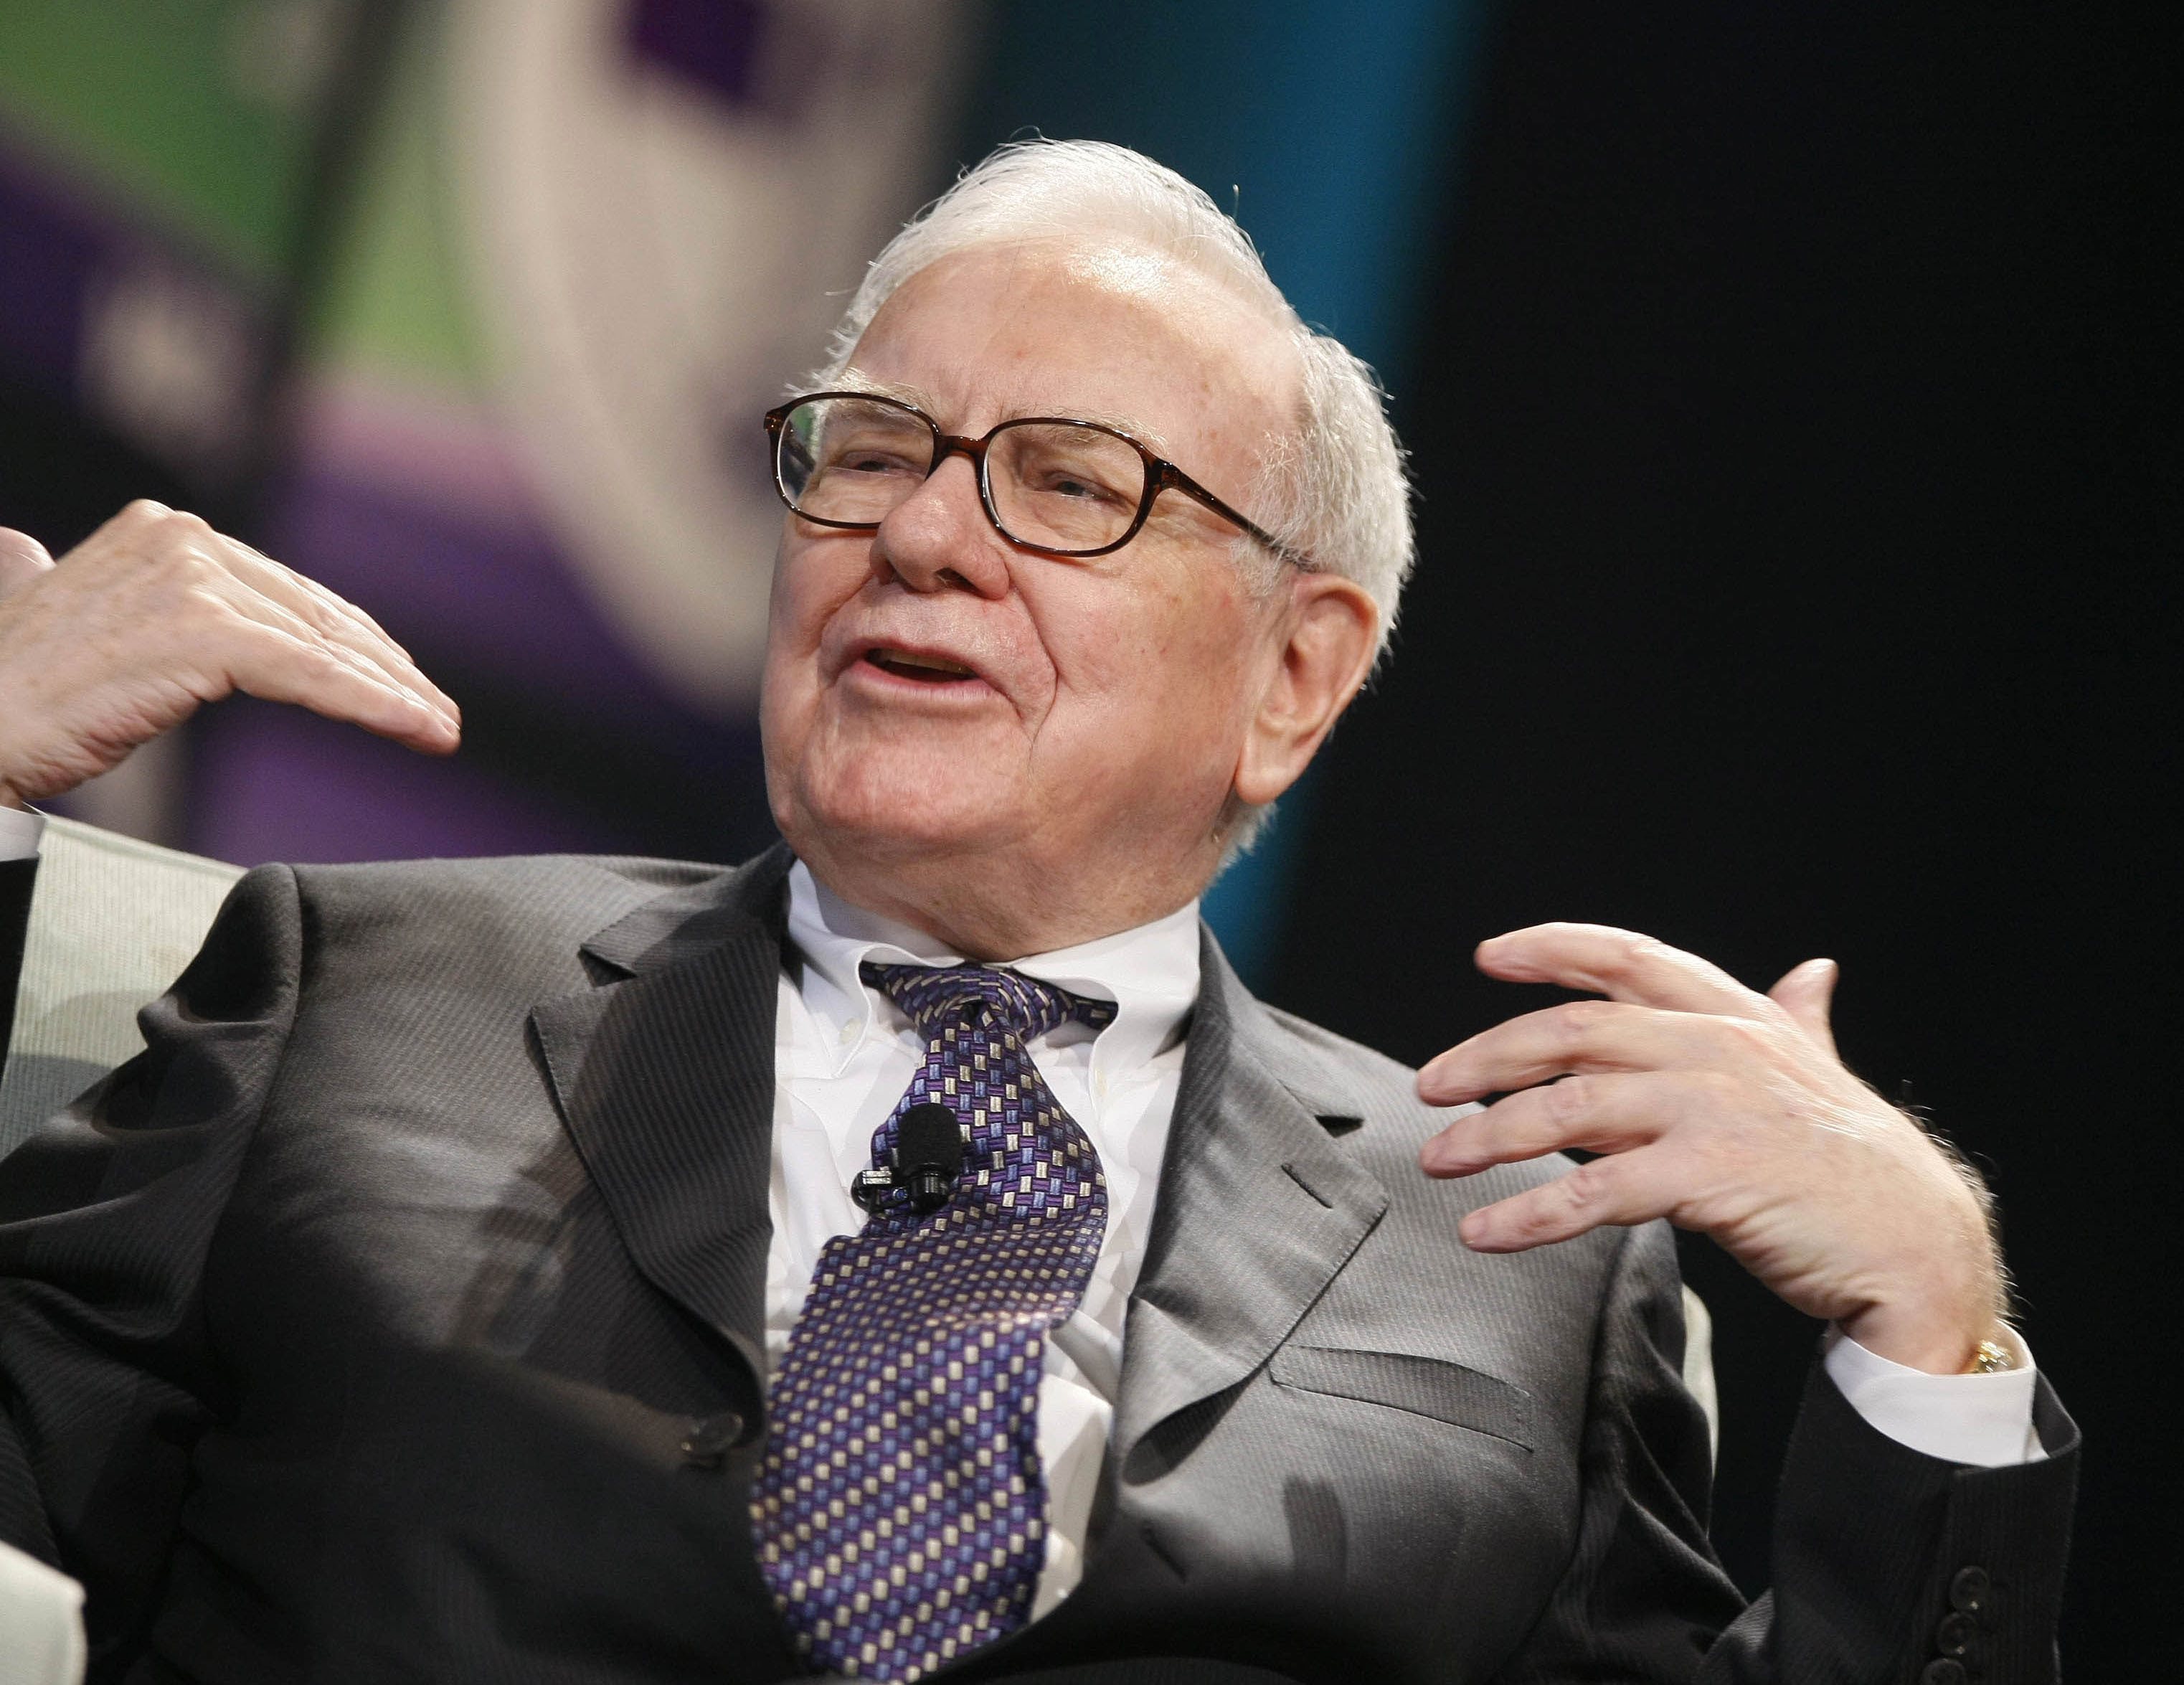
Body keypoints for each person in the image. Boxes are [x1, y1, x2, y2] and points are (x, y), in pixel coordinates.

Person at [0, 141, 2074, 1684]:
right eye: (870, 450)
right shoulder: (365, 993)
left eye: (1070, 483)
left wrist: (1933, 1333)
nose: (920, 533)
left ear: (1296, 675)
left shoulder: (1514, 1256)